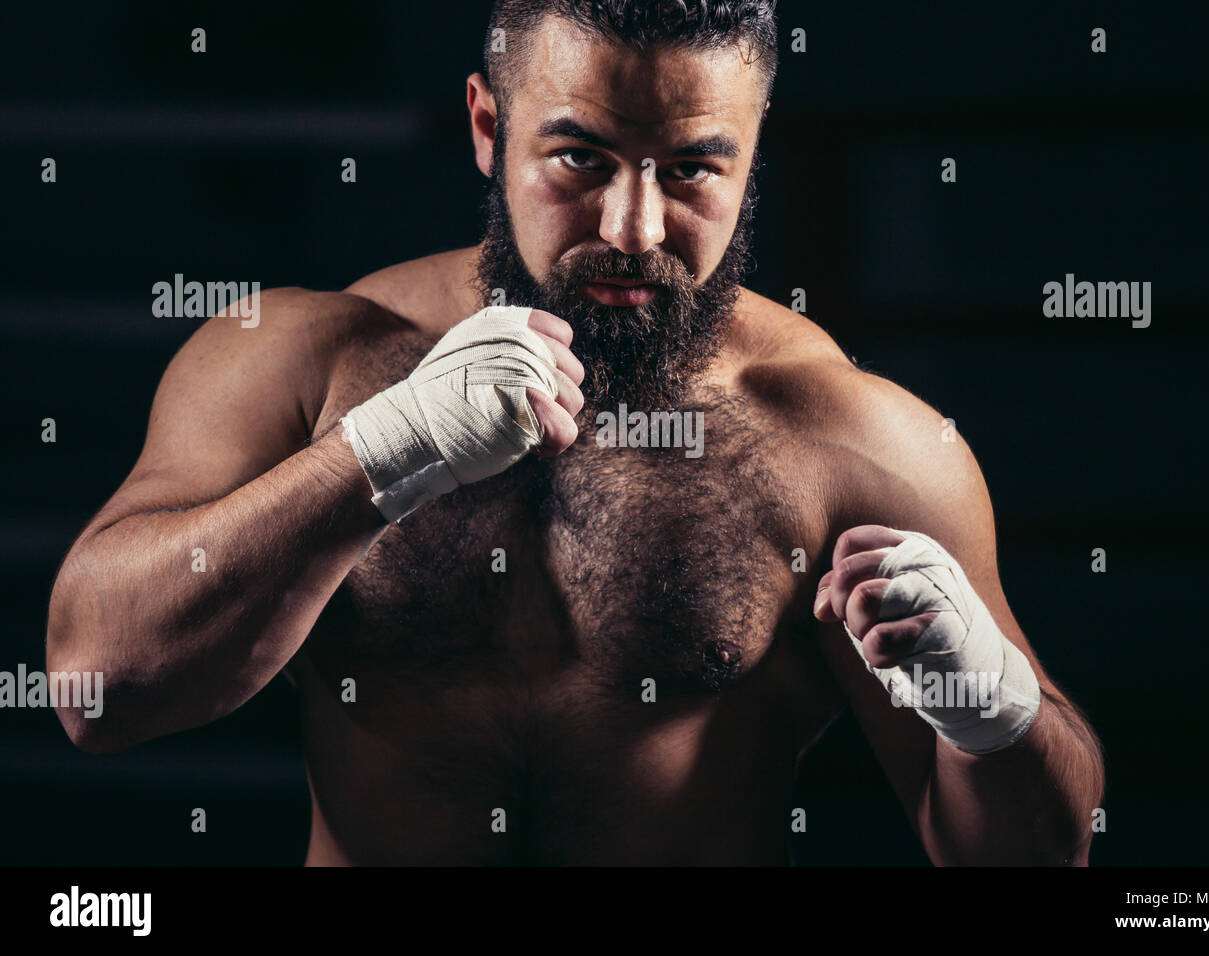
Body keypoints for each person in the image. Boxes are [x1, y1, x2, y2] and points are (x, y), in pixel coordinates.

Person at [47, 0, 1104, 864]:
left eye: (691, 168)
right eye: (581, 159)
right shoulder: (301, 358)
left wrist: (992, 709)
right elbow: (97, 689)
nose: (632, 230)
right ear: (486, 127)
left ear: (750, 160)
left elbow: (1031, 859)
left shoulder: (852, 439)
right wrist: (377, 453)